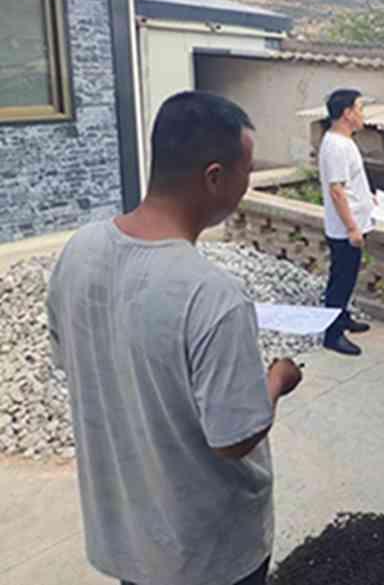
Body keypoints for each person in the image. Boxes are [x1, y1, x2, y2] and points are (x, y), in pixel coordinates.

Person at [46, 91, 303, 585]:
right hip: (209, 555)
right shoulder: (213, 296)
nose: (247, 185)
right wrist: (277, 379)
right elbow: (234, 438)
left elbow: (73, 360)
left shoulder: (79, 252)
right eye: (246, 172)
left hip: (129, 543)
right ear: (214, 178)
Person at [318, 88, 374, 356]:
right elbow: (337, 190)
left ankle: (342, 317)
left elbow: (348, 185)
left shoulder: (343, 141)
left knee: (346, 278)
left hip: (352, 223)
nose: (363, 114)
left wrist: (367, 198)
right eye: (360, 108)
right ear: (347, 113)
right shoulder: (337, 146)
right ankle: (333, 334)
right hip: (344, 229)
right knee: (341, 281)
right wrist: (352, 228)